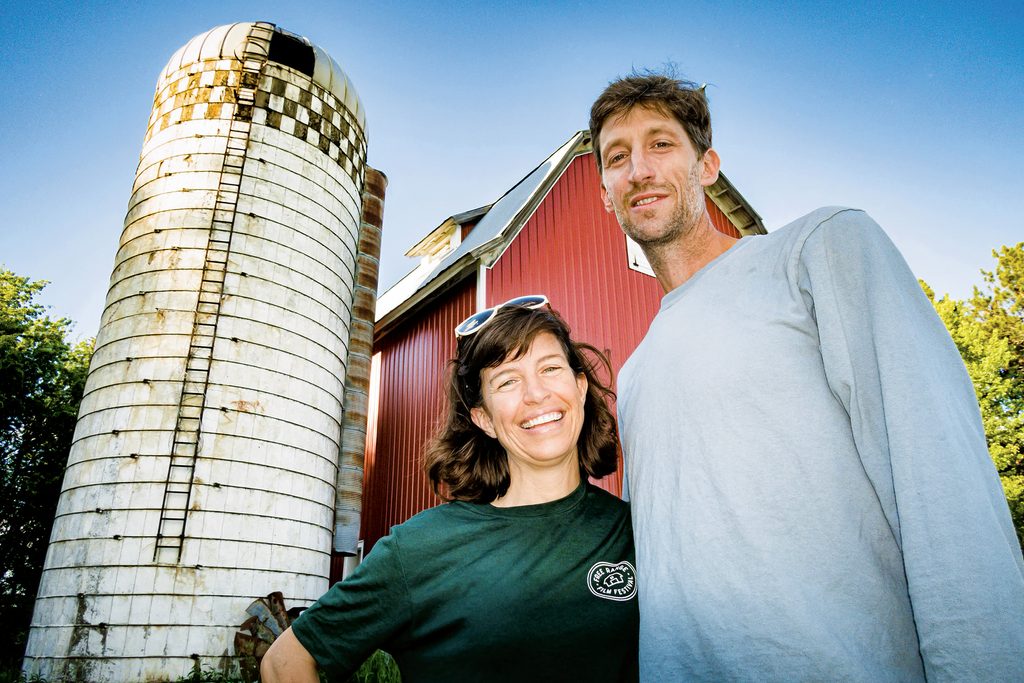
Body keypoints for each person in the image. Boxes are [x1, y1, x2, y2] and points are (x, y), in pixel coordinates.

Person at [589, 72, 1024, 681]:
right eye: (617, 157)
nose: (639, 168)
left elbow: (939, 479)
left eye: (661, 144)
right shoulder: (634, 375)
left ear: (707, 166)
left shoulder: (818, 251)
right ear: (606, 193)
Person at [261, 295, 638, 682]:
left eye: (550, 368)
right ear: (484, 419)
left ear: (578, 387)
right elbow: (283, 662)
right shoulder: (421, 548)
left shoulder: (633, 530)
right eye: (507, 381)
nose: (536, 394)